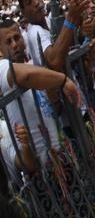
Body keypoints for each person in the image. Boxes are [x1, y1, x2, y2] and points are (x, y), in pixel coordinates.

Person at [0, 19, 79, 172]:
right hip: (43, 173)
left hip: (64, 158)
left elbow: (51, 112)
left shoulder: (35, 69)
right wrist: (62, 81)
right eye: (8, 41)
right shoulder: (3, 69)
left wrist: (54, 101)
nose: (15, 45)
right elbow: (24, 76)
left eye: (17, 38)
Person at [17, 0, 92, 72]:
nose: (36, 3)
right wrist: (71, 18)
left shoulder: (50, 20)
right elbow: (54, 61)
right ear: (23, 12)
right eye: (29, 2)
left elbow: (68, 44)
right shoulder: (34, 31)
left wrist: (81, 28)